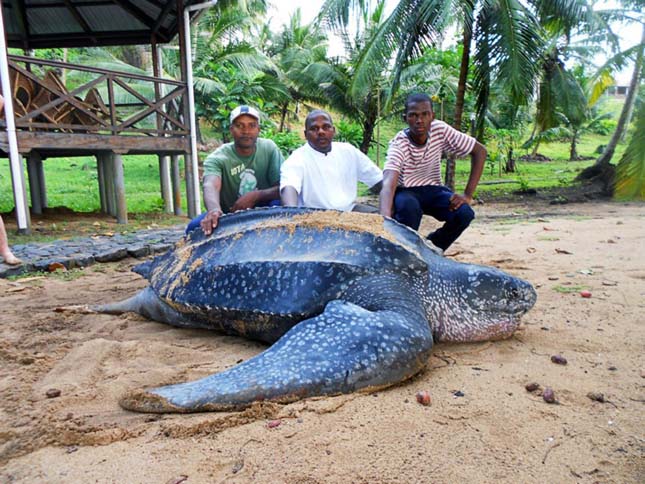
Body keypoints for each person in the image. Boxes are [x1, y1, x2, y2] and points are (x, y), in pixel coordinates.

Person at [379, 93, 486, 252]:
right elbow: (388, 183)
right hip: (406, 192)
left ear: (432, 116)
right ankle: (404, 252)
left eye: (424, 114)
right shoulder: (399, 144)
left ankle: (431, 247)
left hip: (433, 189)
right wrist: (384, 222)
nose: (419, 120)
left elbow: (480, 151)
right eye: (413, 115)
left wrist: (467, 195)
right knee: (408, 207)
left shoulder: (440, 129)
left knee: (464, 213)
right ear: (405, 118)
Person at [186, 105, 284, 235]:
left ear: (258, 129)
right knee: (194, 228)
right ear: (231, 130)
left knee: (279, 206)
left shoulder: (269, 148)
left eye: (252, 125)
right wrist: (214, 210)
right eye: (240, 126)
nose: (246, 131)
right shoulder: (217, 157)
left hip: (264, 210)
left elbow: (283, 187)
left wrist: (256, 195)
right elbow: (210, 185)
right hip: (230, 215)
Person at [280, 110, 382, 211]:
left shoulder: (348, 151)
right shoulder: (296, 159)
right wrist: (291, 212)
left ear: (333, 130)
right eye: (314, 128)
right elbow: (289, 188)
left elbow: (378, 180)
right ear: (306, 134)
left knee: (382, 221)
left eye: (326, 127)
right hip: (312, 217)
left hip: (349, 211)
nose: (321, 132)